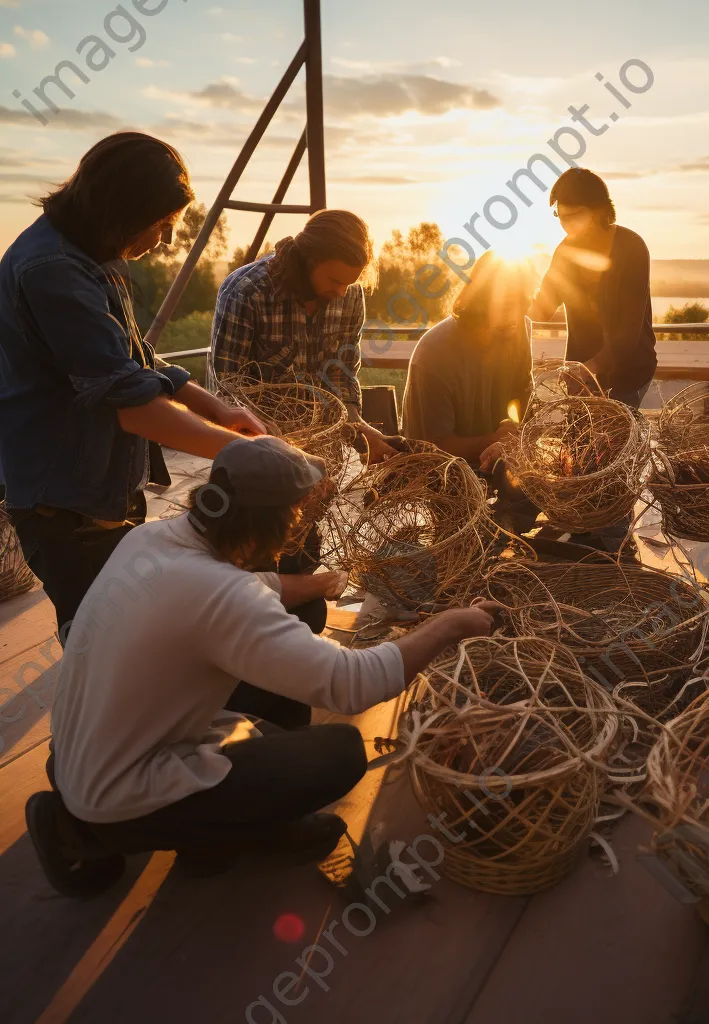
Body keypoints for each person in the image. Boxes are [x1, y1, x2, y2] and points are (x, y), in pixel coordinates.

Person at [25, 436, 500, 898]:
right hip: (117, 791)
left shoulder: (152, 539)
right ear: (268, 526)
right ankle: (112, 835)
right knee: (339, 753)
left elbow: (255, 586)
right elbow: (353, 685)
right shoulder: (220, 596)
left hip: (76, 752)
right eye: (294, 520)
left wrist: (317, 587)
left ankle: (197, 827)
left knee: (282, 689)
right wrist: (452, 624)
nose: (298, 530)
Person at [0, 132, 265, 640]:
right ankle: (97, 718)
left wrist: (218, 410)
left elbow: (137, 360)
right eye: (162, 225)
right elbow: (131, 404)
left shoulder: (88, 255)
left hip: (98, 487)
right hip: (64, 500)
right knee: (101, 641)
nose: (164, 240)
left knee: (117, 630)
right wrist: (247, 452)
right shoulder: (54, 269)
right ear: (121, 209)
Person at [211, 210, 398, 464]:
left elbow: (341, 378)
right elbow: (228, 389)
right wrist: (277, 443)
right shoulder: (246, 292)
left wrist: (362, 433)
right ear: (308, 259)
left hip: (324, 452)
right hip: (255, 454)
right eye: (334, 280)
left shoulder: (350, 294)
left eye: (349, 283)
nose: (342, 292)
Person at [528, 168, 657, 407]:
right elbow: (540, 310)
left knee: (617, 440)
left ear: (600, 210)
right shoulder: (565, 253)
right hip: (580, 377)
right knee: (580, 442)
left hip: (628, 372)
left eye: (575, 215)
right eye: (561, 216)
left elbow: (629, 332)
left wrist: (591, 368)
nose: (567, 226)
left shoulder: (631, 248)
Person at [402, 252, 534, 466]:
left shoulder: (518, 325)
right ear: (479, 304)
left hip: (499, 465)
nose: (514, 326)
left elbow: (521, 394)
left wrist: (512, 427)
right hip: (437, 476)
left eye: (522, 310)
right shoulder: (434, 356)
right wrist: (493, 440)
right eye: (504, 322)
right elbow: (431, 449)